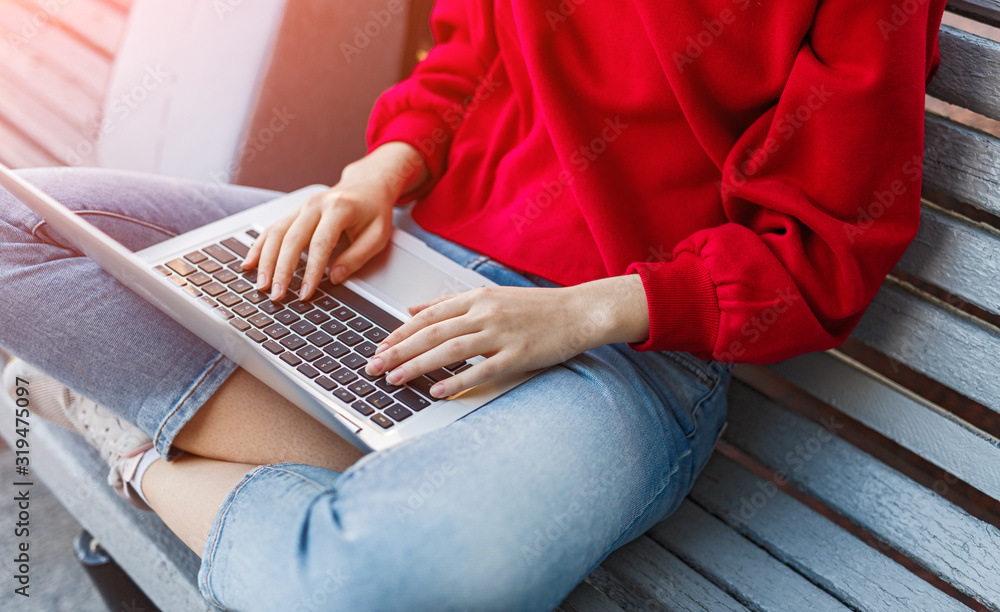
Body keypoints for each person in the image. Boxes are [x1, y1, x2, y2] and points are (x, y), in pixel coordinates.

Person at [0, 0, 947, 609]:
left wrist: (579, 315)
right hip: (413, 262)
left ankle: (129, 444)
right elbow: (464, 60)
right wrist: (375, 176)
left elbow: (822, 251)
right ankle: (391, 441)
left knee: (357, 591)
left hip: (624, 351)